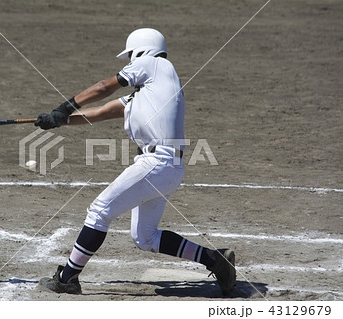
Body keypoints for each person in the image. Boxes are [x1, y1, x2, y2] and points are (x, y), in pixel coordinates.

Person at [34, 28, 236, 296]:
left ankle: (67, 277)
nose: (129, 61)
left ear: (143, 49)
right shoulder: (150, 93)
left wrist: (65, 106)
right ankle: (215, 260)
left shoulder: (155, 64)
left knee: (99, 211)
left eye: (130, 55)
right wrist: (58, 121)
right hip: (166, 167)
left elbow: (103, 87)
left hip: (157, 162)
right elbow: (100, 113)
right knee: (145, 237)